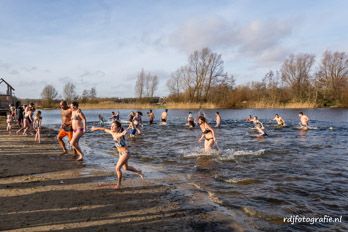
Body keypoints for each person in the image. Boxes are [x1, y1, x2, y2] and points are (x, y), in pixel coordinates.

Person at [91, 121, 143, 189]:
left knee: (117, 168)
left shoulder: (119, 134)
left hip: (125, 153)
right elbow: (104, 129)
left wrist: (125, 131)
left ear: (118, 128)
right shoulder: (112, 132)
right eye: (111, 125)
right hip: (120, 154)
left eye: (113, 126)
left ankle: (119, 184)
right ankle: (139, 172)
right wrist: (96, 128)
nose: (111, 127)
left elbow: (121, 134)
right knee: (126, 168)